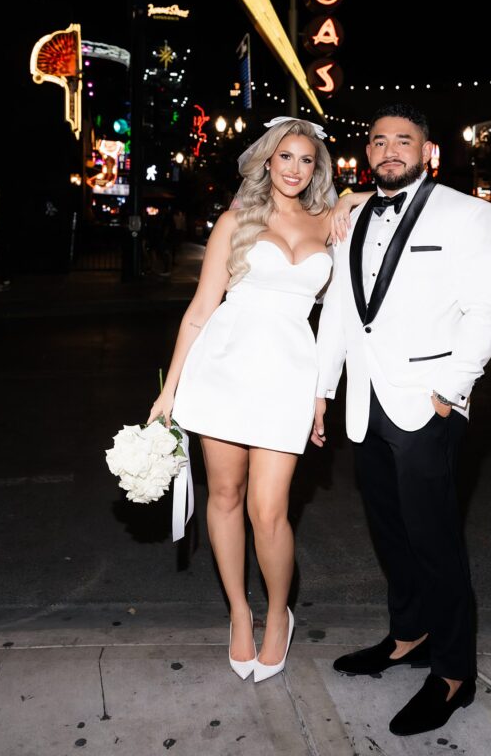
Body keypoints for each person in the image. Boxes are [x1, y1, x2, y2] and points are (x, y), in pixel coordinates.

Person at [312, 102, 491, 737]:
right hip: (367, 405)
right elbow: (343, 314)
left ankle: (454, 673)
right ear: (366, 154)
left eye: (404, 140)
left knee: (435, 539)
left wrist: (448, 390)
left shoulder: (469, 214)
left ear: (428, 152)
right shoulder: (351, 217)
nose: (389, 149)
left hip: (429, 403)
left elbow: (489, 312)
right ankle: (408, 635)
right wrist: (323, 391)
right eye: (378, 141)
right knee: (389, 530)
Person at [147, 116, 344, 682]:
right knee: (226, 496)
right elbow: (202, 309)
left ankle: (279, 613)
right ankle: (238, 610)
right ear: (266, 160)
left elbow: (337, 319)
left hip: (289, 376)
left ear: (317, 169)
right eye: (286, 156)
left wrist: (321, 393)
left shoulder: (332, 222)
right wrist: (170, 390)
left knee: (269, 510)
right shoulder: (235, 221)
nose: (294, 168)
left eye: (307, 160)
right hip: (224, 369)